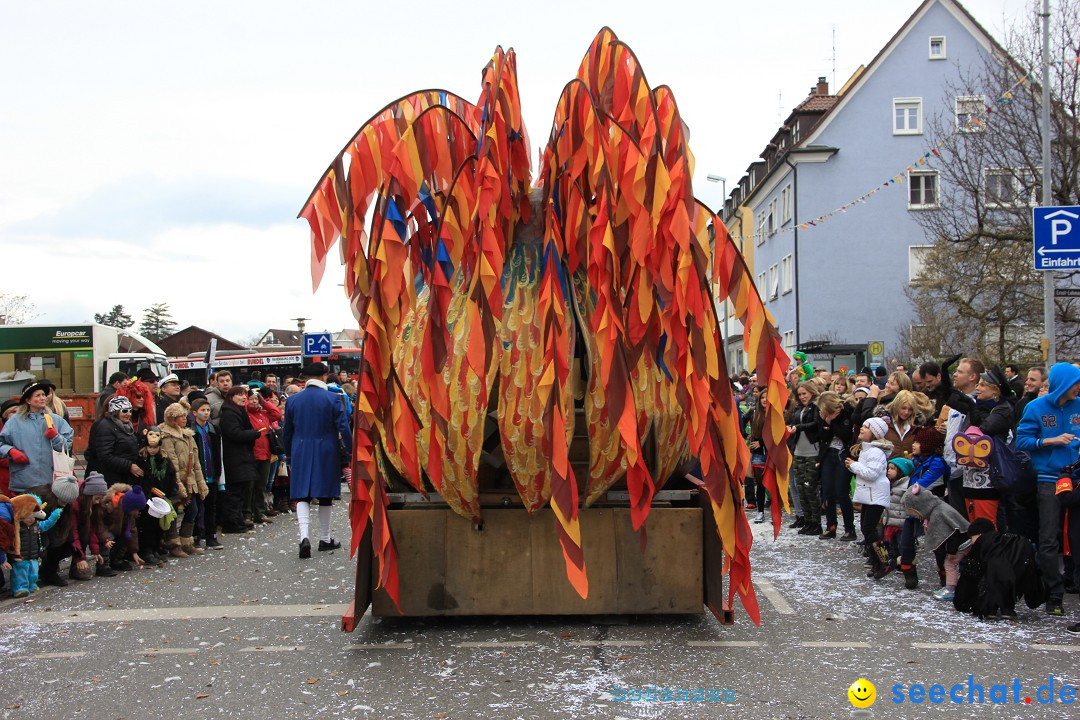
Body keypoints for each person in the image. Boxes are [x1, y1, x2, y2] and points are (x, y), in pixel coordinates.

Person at [1015, 362, 1080, 617]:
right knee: (1049, 538)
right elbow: (1022, 441)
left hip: (1077, 479)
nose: (1078, 388)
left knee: (1077, 538)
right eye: (1075, 383)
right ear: (1063, 383)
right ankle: (1054, 594)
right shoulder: (1036, 408)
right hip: (1049, 478)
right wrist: (1049, 440)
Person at [282, 362, 352, 559]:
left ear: (305, 379)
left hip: (300, 448)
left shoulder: (293, 400)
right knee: (325, 495)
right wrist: (350, 450)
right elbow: (344, 427)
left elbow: (287, 432)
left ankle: (304, 537)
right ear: (324, 376)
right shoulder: (333, 398)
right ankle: (325, 538)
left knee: (302, 493)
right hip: (326, 449)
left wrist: (289, 454)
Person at [947, 366, 1014, 527]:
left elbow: (985, 428)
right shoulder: (979, 406)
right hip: (971, 477)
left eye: (982, 385)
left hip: (988, 479)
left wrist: (972, 407)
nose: (977, 388)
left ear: (995, 390)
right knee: (974, 527)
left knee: (987, 525)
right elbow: (948, 396)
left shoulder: (1002, 410)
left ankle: (991, 552)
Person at [0, 382, 75, 493]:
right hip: (23, 483)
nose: (42, 398)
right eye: (38, 395)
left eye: (43, 395)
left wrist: (55, 437)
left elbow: (67, 446)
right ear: (28, 400)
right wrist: (10, 451)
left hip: (50, 484)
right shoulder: (14, 422)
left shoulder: (56, 420)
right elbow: (1, 443)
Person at [898, 426, 948, 590]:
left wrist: (908, 494)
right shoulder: (917, 462)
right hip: (913, 510)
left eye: (919, 442)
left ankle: (945, 576)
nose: (914, 444)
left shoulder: (937, 464)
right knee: (906, 544)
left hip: (931, 510)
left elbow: (920, 486)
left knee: (938, 546)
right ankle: (909, 573)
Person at [902, 484, 971, 602]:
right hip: (960, 541)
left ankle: (951, 589)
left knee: (950, 564)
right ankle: (952, 587)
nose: (916, 516)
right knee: (949, 563)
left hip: (962, 542)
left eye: (915, 512)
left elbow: (953, 531)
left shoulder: (939, 513)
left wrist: (951, 551)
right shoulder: (936, 509)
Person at [845, 417, 894, 578]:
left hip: (876, 495)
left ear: (875, 433)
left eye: (866, 427)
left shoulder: (875, 451)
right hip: (869, 495)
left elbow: (871, 474)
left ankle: (885, 560)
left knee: (869, 528)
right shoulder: (868, 450)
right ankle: (877, 563)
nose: (862, 429)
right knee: (866, 528)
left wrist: (854, 465)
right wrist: (853, 466)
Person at [161, 404, 208, 555]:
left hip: (190, 478)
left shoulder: (188, 435)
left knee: (193, 509)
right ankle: (173, 543)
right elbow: (171, 461)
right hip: (176, 480)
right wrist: (177, 482)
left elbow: (196, 462)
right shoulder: (166, 435)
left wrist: (200, 482)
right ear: (172, 418)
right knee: (173, 511)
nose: (184, 418)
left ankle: (186, 540)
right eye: (180, 416)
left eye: (184, 415)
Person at [943, 357, 984, 516]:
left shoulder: (977, 403)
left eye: (959, 371)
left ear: (972, 376)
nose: (955, 375)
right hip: (952, 469)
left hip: (968, 470)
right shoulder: (957, 400)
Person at [219, 386, 263, 533]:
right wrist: (252, 434)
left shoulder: (239, 411)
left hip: (242, 456)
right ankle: (232, 522)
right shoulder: (228, 414)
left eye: (244, 395)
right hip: (234, 458)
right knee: (234, 492)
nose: (243, 398)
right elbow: (234, 434)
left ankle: (238, 519)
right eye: (239, 395)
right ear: (232, 397)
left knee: (241, 491)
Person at [814, 391, 857, 541]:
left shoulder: (846, 413)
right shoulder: (823, 416)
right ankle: (830, 526)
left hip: (843, 454)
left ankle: (849, 529)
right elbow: (822, 436)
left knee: (842, 492)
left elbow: (845, 435)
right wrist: (825, 422)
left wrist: (831, 422)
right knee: (827, 491)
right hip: (828, 454)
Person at [86, 396, 144, 487]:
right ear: (116, 412)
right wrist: (129, 466)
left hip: (125, 477)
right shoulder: (105, 426)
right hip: (112, 479)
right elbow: (105, 456)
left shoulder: (127, 426)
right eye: (124, 411)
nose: (128, 414)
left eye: (130, 411)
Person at [189, 398, 223, 549]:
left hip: (212, 472)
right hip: (198, 475)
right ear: (194, 412)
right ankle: (196, 536)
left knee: (211, 507)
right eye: (202, 410)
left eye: (208, 410)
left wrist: (219, 475)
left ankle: (211, 536)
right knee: (197, 508)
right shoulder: (191, 431)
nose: (206, 413)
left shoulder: (214, 429)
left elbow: (218, 452)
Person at [786, 382, 820, 532]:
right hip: (798, 450)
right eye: (800, 394)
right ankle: (806, 520)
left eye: (804, 393)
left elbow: (815, 424)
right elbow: (794, 422)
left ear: (811, 392)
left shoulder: (816, 406)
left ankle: (815, 522)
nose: (802, 397)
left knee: (810, 488)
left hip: (812, 451)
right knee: (800, 487)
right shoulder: (798, 407)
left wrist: (798, 427)